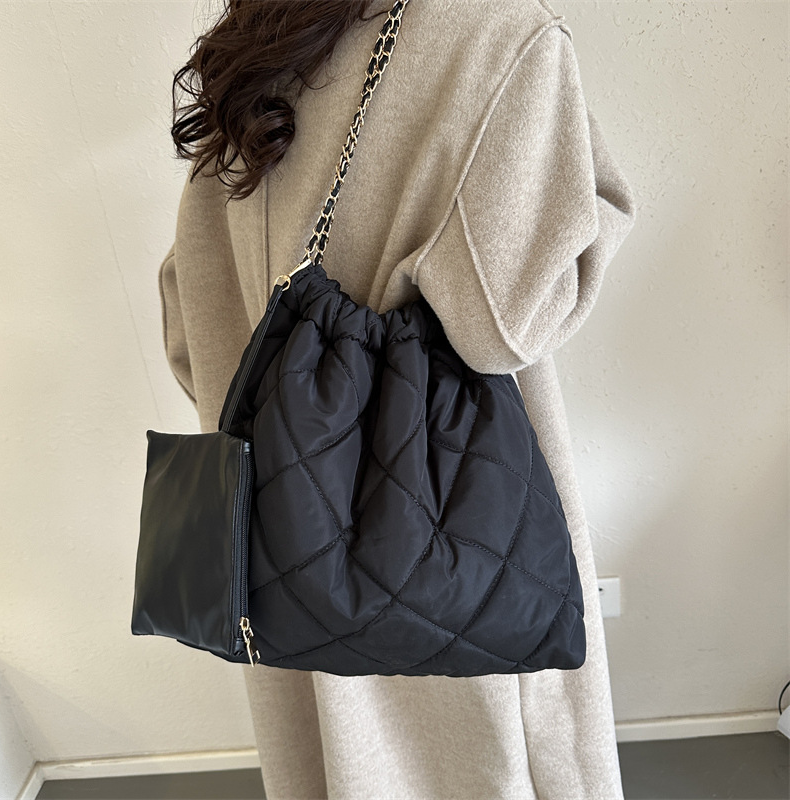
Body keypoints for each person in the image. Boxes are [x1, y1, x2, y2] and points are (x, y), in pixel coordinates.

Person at [158, 0, 637, 797]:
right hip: (433, 528)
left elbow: (187, 329)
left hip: (257, 513)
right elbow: (505, 323)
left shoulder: (256, 37)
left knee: (325, 762)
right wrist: (602, 207)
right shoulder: (501, 34)